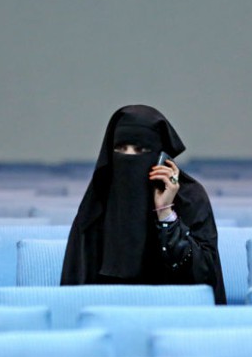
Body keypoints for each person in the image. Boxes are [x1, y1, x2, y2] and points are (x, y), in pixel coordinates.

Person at [61, 104, 226, 304]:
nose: (129, 157)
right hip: (106, 313)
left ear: (160, 157)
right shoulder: (98, 202)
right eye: (120, 149)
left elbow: (205, 277)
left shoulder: (189, 198)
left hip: (174, 314)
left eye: (140, 149)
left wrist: (165, 213)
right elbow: (75, 288)